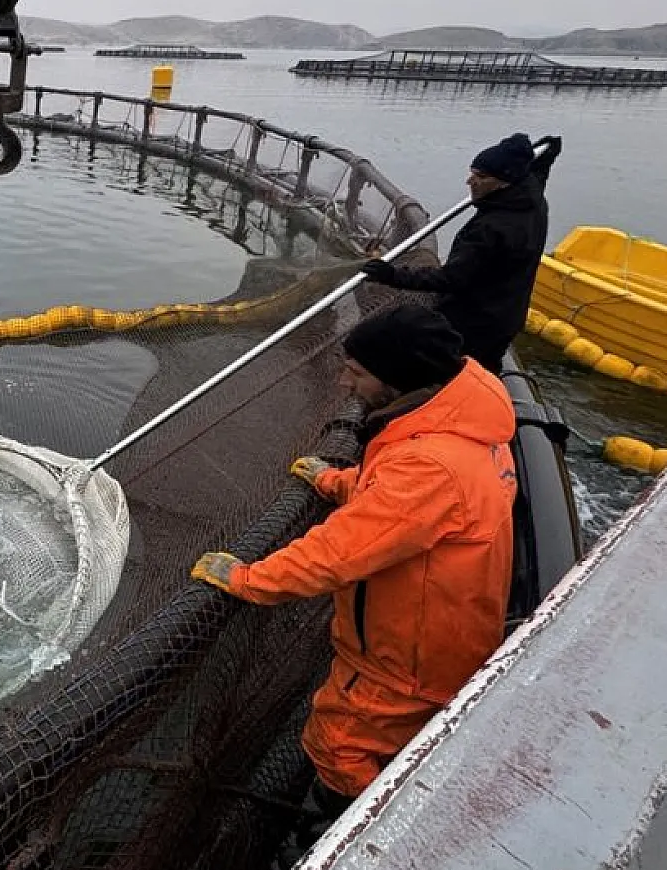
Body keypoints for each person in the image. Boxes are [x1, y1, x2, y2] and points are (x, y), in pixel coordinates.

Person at [189, 302, 518, 823]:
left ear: (398, 378)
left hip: (403, 667)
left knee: (336, 744)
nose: (344, 382)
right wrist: (334, 480)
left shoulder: (430, 463)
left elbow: (337, 553)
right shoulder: (465, 427)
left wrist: (248, 578)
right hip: (452, 642)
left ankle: (360, 835)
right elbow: (398, 510)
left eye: (358, 373)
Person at [360, 132, 562, 372]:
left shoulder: (490, 229)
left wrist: (392, 275)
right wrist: (545, 154)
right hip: (508, 315)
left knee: (441, 369)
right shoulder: (531, 199)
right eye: (472, 172)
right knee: (486, 368)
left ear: (503, 182)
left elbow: (451, 278)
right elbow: (537, 173)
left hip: (474, 322)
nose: (470, 181)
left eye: (481, 176)